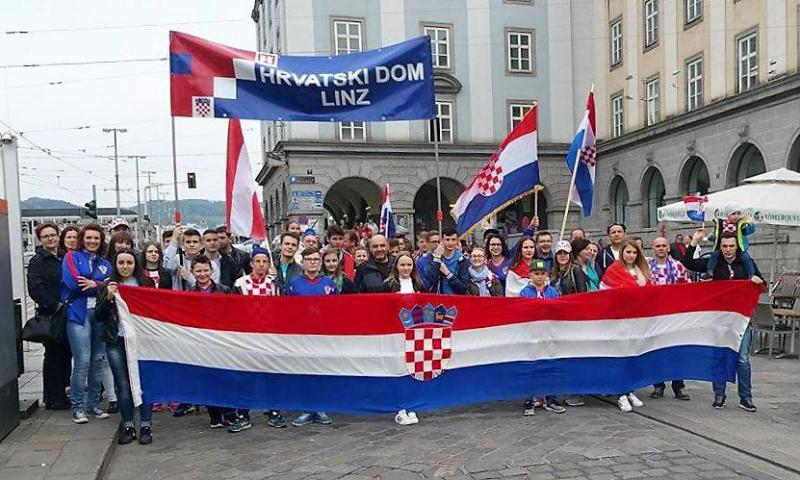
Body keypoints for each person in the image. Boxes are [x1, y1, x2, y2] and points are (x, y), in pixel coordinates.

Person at [681, 229, 764, 412]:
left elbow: (761, 283)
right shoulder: (714, 262)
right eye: (725, 246)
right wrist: (694, 242)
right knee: (718, 356)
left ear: (737, 247)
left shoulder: (746, 263)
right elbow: (689, 263)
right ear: (720, 247)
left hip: (741, 319)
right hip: (718, 319)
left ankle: (746, 398)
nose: (728, 250)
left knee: (742, 359)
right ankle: (719, 395)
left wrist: (758, 280)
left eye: (731, 246)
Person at [95, 250, 155, 445]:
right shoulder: (107, 285)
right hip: (116, 340)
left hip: (141, 342)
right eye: (121, 262)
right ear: (116, 265)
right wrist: (109, 298)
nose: (125, 266)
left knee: (145, 383)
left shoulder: (145, 284)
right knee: (122, 384)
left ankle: (146, 424)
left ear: (135, 264)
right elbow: (99, 315)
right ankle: (128, 424)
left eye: (129, 262)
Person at [189, 255, 249, 429]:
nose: (202, 274)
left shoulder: (225, 290)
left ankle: (230, 413)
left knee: (226, 378)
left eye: (205, 270)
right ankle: (214, 415)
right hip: (202, 344)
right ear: (192, 272)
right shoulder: (189, 295)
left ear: (212, 270)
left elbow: (235, 313)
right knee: (208, 379)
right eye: (198, 271)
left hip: (222, 342)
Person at [61, 224, 113, 424]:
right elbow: (74, 283)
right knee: (82, 361)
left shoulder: (105, 262)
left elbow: (111, 285)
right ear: (83, 239)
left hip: (99, 315)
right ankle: (78, 407)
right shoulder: (71, 257)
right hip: (79, 314)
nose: (92, 241)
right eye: (89, 238)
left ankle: (94, 403)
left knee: (97, 360)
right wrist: (99, 285)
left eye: (96, 238)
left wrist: (96, 284)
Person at [286, 248, 337, 427]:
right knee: (304, 372)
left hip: (323, 335)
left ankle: (320, 407)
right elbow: (288, 311)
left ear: (320, 262)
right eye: (309, 259)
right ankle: (306, 409)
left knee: (321, 371)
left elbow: (337, 310)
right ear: (303, 261)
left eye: (316, 259)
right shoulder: (294, 284)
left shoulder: (329, 283)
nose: (313, 262)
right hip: (302, 335)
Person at [599, 242, 649, 413]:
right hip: (619, 321)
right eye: (628, 252)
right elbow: (604, 293)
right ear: (622, 253)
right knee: (620, 356)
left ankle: (630, 390)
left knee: (634, 357)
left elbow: (650, 293)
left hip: (638, 321)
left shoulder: (642, 270)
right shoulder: (613, 270)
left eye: (634, 252)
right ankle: (620, 393)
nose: (631, 255)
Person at [232, 246, 279, 430]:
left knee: (271, 375)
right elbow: (235, 311)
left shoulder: (275, 283)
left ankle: (275, 410)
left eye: (264, 261)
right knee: (246, 376)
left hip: (269, 336)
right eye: (257, 261)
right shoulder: (240, 284)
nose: (261, 265)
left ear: (269, 264)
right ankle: (243, 413)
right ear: (251, 263)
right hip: (248, 337)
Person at [27, 223, 71, 410]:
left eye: (53, 235)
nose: (50, 239)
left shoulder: (64, 257)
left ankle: (63, 392)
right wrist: (55, 305)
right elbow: (35, 288)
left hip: (68, 313)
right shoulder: (38, 260)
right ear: (40, 239)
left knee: (66, 354)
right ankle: (53, 397)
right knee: (53, 356)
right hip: (52, 315)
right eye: (46, 236)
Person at [647, 237, 692, 401]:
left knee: (676, 352)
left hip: (673, 316)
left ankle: (678, 386)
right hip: (654, 315)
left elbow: (686, 288)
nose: (660, 248)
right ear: (652, 248)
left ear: (668, 248)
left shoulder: (678, 266)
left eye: (663, 246)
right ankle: (658, 385)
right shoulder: (646, 267)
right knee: (656, 351)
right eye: (657, 245)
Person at [519, 260, 566, 415]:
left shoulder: (552, 291)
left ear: (547, 275)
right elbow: (522, 311)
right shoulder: (525, 292)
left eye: (542, 274)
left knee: (550, 365)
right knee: (531, 366)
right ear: (530, 274)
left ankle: (550, 398)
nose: (539, 277)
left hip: (549, 335)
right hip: (531, 335)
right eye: (536, 273)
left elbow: (558, 310)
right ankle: (529, 399)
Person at [382, 252, 423, 426]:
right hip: (395, 332)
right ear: (396, 267)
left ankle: (411, 405)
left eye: (409, 265)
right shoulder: (389, 284)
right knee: (398, 368)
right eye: (402, 265)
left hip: (413, 331)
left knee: (412, 368)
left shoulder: (419, 283)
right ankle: (399, 408)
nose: (406, 268)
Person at [705, 201, 756, 278]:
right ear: (728, 215)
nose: (736, 216)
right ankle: (710, 271)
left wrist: (751, 224)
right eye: (733, 214)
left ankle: (751, 274)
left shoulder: (741, 225)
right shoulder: (722, 224)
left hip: (739, 249)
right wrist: (712, 236)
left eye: (738, 214)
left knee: (746, 257)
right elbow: (717, 233)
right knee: (714, 255)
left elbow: (749, 231)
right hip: (723, 249)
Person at [422, 227, 470, 294]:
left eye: (453, 240)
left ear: (457, 241)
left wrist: (448, 273)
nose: (450, 243)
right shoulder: (432, 257)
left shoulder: (463, 260)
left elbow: (463, 288)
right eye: (447, 240)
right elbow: (430, 278)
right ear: (442, 241)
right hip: (438, 299)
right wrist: (437, 258)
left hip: (457, 300)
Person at [163, 225, 203, 291]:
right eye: (188, 242)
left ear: (201, 244)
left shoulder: (207, 262)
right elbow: (168, 267)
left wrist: (190, 279)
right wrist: (174, 240)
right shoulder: (177, 259)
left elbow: (209, 288)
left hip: (199, 298)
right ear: (183, 244)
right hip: (180, 298)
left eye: (195, 242)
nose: (192, 245)